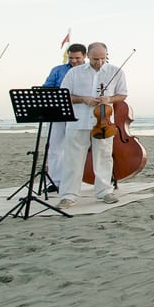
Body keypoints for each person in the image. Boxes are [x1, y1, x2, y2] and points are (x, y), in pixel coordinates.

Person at [57, 42, 127, 208]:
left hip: (104, 121)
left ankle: (104, 191)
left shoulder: (116, 71)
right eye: (96, 59)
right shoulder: (74, 73)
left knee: (103, 156)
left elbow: (122, 95)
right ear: (88, 56)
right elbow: (64, 95)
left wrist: (109, 99)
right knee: (72, 159)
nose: (100, 62)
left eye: (103, 58)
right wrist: (83, 99)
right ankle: (68, 195)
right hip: (78, 120)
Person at [41, 43, 87, 192]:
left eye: (77, 58)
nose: (73, 61)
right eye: (71, 58)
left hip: (82, 112)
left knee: (77, 147)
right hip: (58, 111)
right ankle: (55, 181)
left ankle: (75, 181)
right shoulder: (58, 70)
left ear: (85, 56)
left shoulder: (90, 71)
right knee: (55, 146)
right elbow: (46, 88)